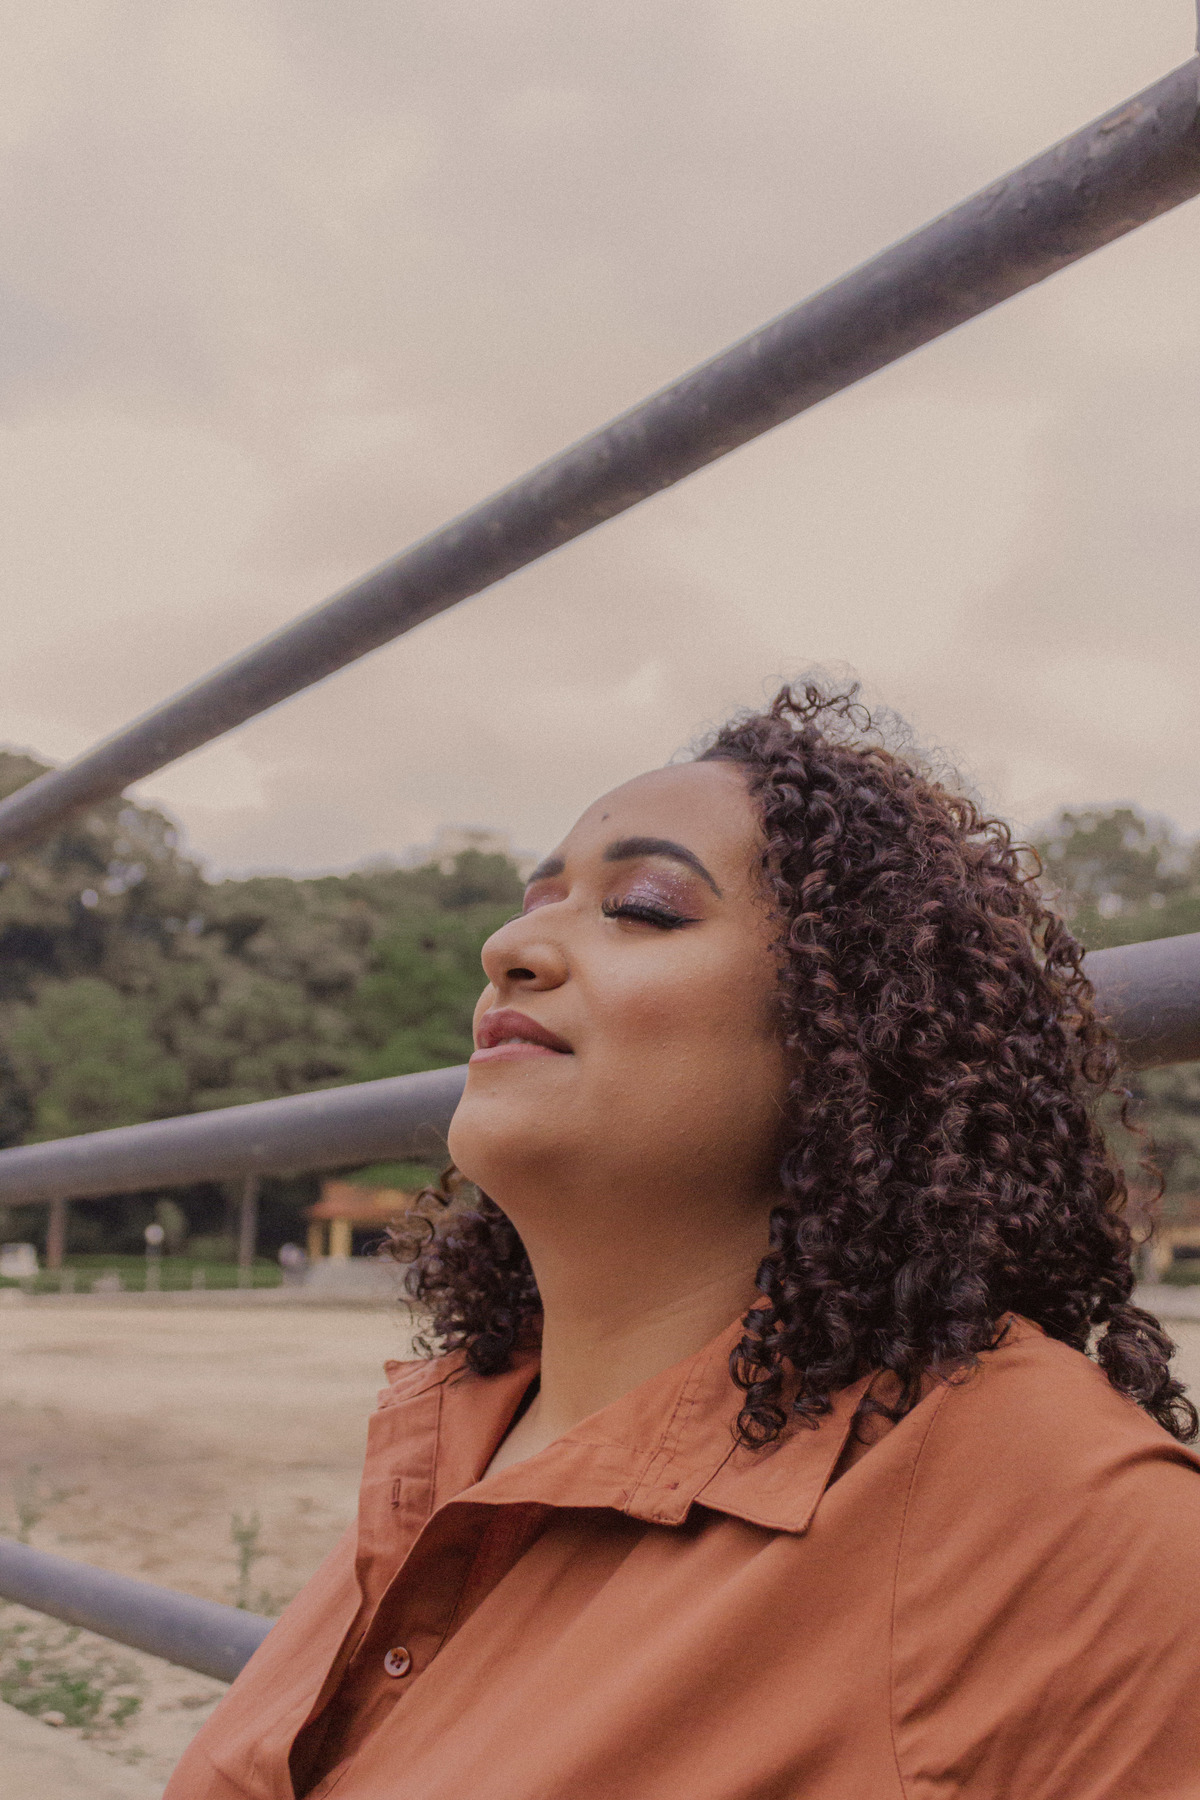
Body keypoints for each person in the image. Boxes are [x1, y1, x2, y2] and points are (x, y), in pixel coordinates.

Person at [166, 685, 1200, 1800]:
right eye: (535, 903)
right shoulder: (460, 1422)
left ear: (857, 1027)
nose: (508, 945)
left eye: (643, 908)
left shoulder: (1042, 1510)